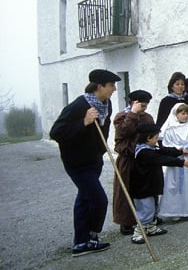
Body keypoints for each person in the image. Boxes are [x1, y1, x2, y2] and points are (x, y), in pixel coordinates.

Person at [49, 69, 121, 257]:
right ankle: (91, 235)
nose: (114, 89)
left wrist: (102, 151)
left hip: (94, 159)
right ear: (100, 86)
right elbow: (56, 132)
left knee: (84, 199)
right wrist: (84, 122)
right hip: (77, 162)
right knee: (98, 200)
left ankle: (81, 242)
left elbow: (102, 132)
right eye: (111, 85)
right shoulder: (79, 106)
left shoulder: (107, 104)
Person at [130, 123, 188, 244]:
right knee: (146, 209)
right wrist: (182, 163)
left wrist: (180, 152)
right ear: (148, 138)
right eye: (156, 138)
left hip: (151, 184)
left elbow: (164, 151)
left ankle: (151, 227)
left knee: (154, 205)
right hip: (142, 186)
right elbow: (162, 159)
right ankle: (138, 232)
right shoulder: (143, 152)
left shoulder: (151, 148)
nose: (157, 140)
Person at [112, 89, 155, 235]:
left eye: (146, 105)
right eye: (142, 105)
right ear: (133, 103)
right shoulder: (122, 117)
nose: (144, 109)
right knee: (126, 190)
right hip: (127, 158)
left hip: (144, 158)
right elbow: (123, 132)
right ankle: (126, 221)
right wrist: (133, 114)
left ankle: (148, 219)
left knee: (145, 189)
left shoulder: (147, 117)